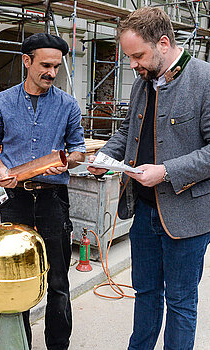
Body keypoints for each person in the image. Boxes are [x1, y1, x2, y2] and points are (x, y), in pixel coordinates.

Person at [87, 7, 210, 349]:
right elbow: (128, 130)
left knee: (181, 302)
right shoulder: (144, 82)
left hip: (187, 217)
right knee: (145, 293)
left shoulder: (205, 80)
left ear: (164, 43)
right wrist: (105, 157)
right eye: (129, 57)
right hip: (143, 211)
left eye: (137, 55)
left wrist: (167, 171)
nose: (132, 65)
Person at [0, 33, 86, 350]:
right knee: (19, 277)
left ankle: (57, 345)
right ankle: (21, 344)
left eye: (56, 66)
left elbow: (79, 150)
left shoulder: (67, 105)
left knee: (58, 281)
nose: (52, 73)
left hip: (53, 199)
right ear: (27, 61)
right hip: (15, 199)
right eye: (45, 65)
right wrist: (0, 169)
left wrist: (65, 162)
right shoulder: (2, 102)